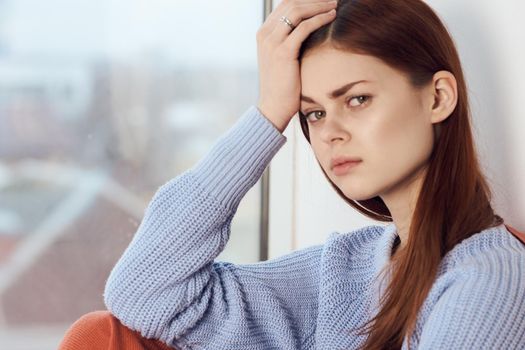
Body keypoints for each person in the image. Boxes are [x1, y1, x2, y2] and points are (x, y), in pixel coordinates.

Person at [59, 0, 525, 349]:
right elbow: (144, 292)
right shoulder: (345, 270)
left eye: (357, 99)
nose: (330, 133)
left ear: (438, 98)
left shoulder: (489, 278)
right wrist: (268, 114)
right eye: (314, 114)